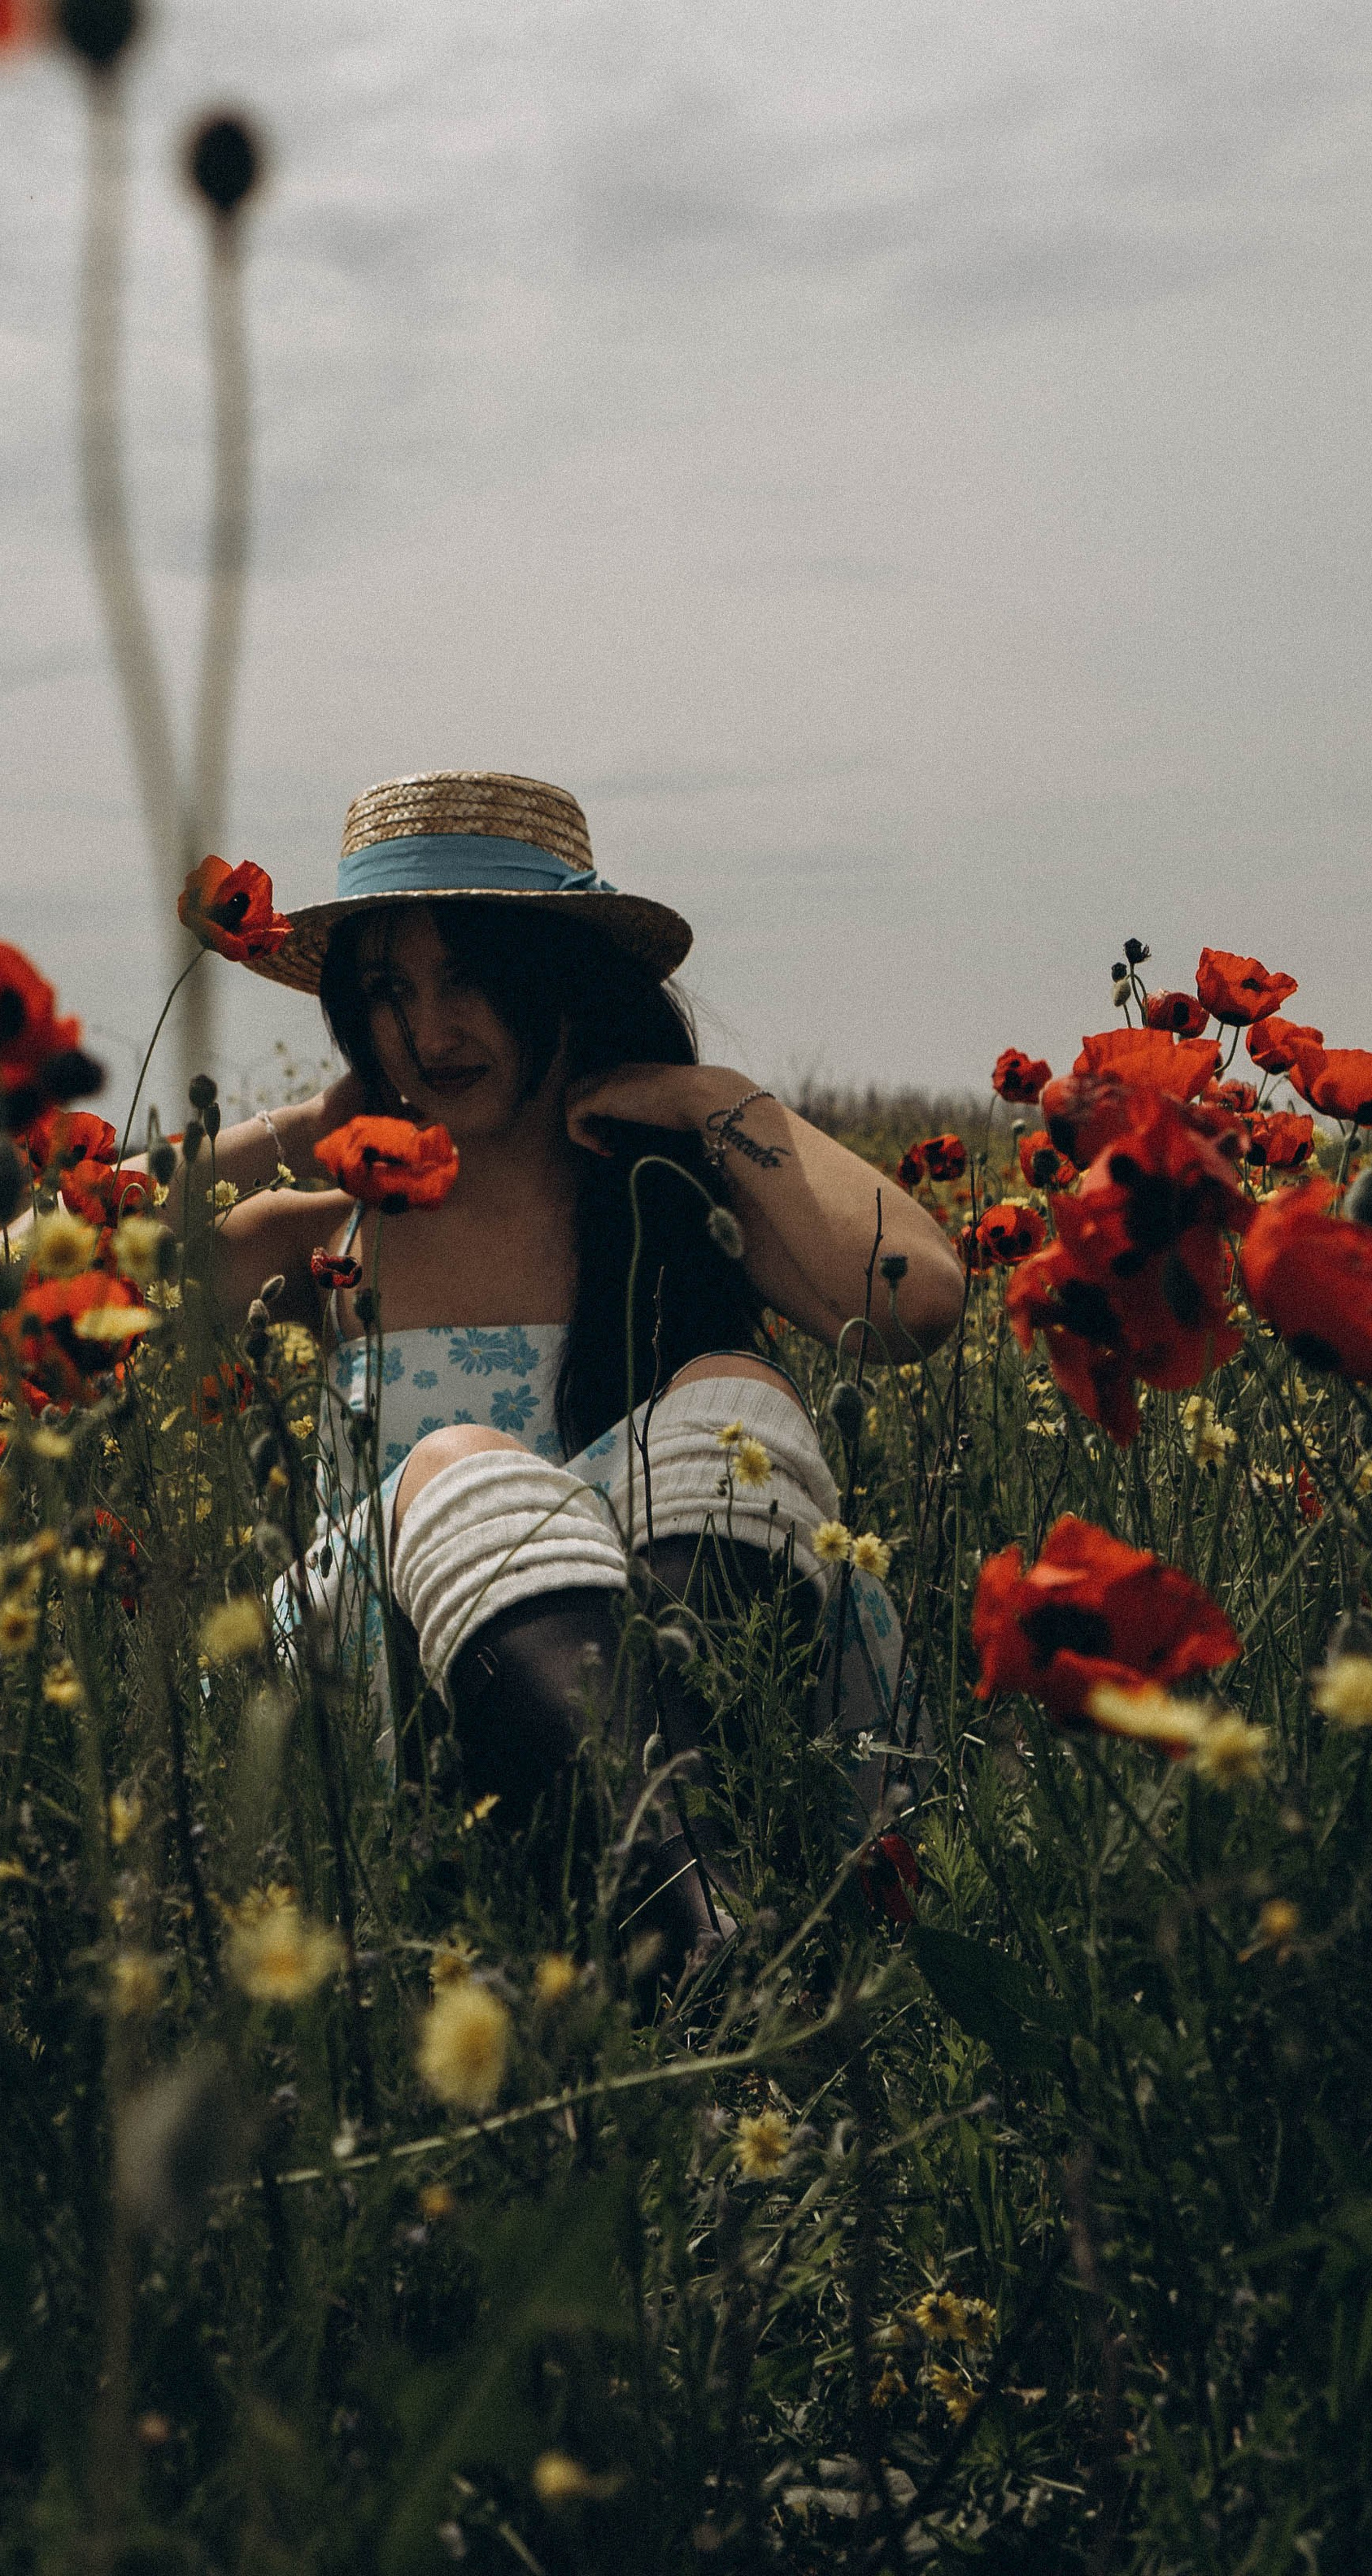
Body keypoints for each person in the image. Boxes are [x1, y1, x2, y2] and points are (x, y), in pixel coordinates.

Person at [189, 772, 963, 1977]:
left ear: (565, 981)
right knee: (466, 1463)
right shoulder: (332, 1232)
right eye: (388, 990)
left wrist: (716, 1102)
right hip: (403, 1681)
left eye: (470, 979)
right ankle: (698, 1937)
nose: (426, 1033)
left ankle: (692, 1907)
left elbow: (916, 1296)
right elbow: (12, 1282)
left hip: (694, 1666)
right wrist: (301, 1126)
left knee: (731, 1394)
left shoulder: (669, 1199)